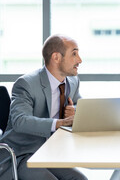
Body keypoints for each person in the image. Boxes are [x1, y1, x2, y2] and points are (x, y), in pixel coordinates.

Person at [0, 34, 87, 180]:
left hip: (50, 152)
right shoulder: (26, 84)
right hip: (21, 154)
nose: (80, 60)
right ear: (56, 57)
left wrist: (75, 111)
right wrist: (59, 123)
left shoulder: (72, 81)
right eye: (74, 54)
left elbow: (80, 104)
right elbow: (20, 121)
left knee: (80, 179)